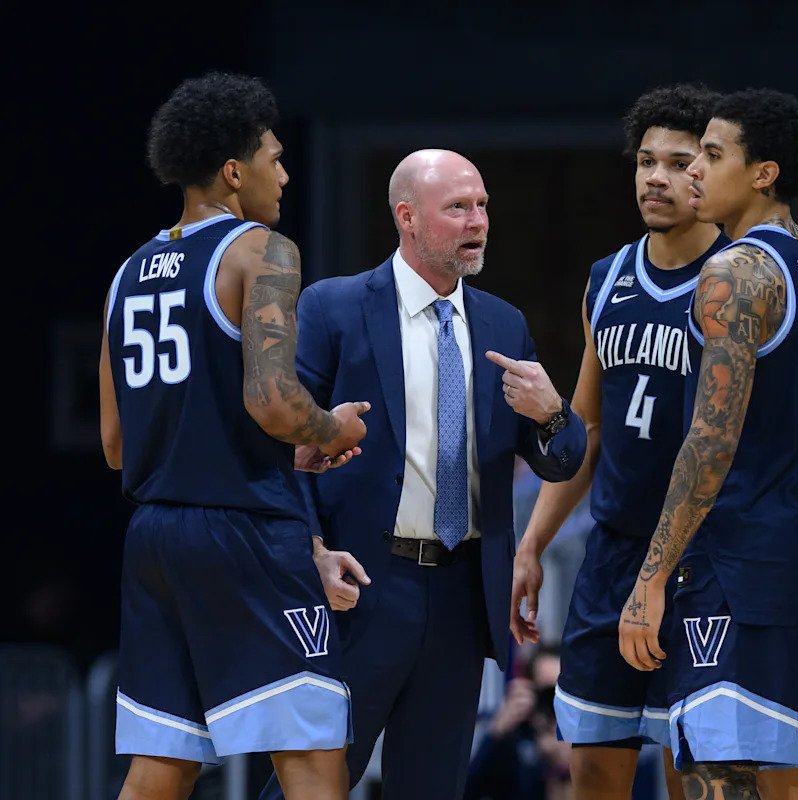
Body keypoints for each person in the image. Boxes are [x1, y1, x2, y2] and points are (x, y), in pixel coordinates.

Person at [257, 148, 586, 800]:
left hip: (462, 594)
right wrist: (311, 550)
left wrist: (553, 413)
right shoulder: (335, 308)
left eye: (482, 205)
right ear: (407, 217)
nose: (477, 221)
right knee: (314, 785)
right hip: (361, 586)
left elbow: (562, 459)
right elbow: (280, 451)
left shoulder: (503, 323)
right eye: (457, 207)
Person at [98, 70, 370, 800]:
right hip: (244, 532)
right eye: (274, 158)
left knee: (160, 767)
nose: (285, 174)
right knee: (312, 755)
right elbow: (275, 403)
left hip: (154, 537)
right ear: (233, 170)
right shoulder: (260, 250)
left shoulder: (127, 274)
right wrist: (331, 428)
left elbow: (116, 443)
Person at [618, 87, 798, 799]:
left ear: (763, 173)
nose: (694, 170)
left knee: (716, 776)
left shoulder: (734, 273)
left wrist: (652, 578)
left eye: (712, 155)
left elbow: (710, 440)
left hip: (740, 566)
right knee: (796, 784)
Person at [510, 82, 727, 800]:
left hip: (703, 559)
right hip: (612, 554)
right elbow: (590, 426)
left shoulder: (740, 279)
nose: (656, 178)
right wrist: (534, 543)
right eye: (645, 162)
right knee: (595, 766)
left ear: (713, 169)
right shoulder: (607, 280)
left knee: (691, 767)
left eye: (679, 163)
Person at [465, 643, 572, 800]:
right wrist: (497, 732)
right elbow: (469, 791)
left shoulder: (584, 735)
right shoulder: (514, 738)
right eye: (547, 691)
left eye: (559, 692)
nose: (552, 700)